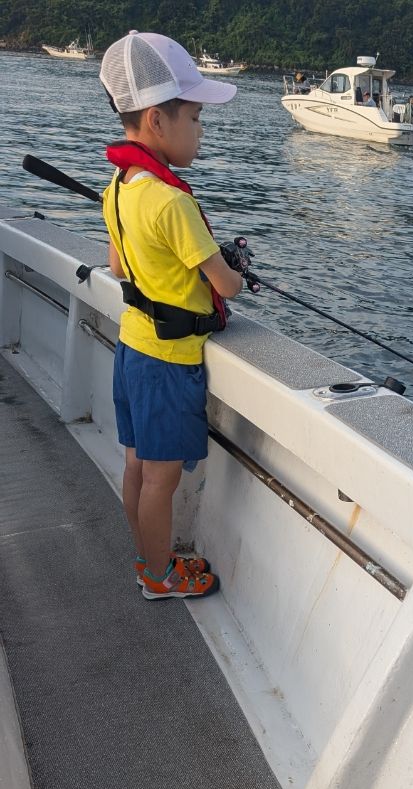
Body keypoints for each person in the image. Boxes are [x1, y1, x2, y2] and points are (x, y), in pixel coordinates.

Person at [98, 31, 244, 599]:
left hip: (132, 349)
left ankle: (146, 560)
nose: (201, 131)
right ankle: (159, 577)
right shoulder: (172, 201)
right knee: (161, 481)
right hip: (167, 363)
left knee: (137, 468)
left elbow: (118, 266)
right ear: (157, 120)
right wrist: (236, 268)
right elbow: (226, 285)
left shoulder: (118, 188)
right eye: (196, 118)